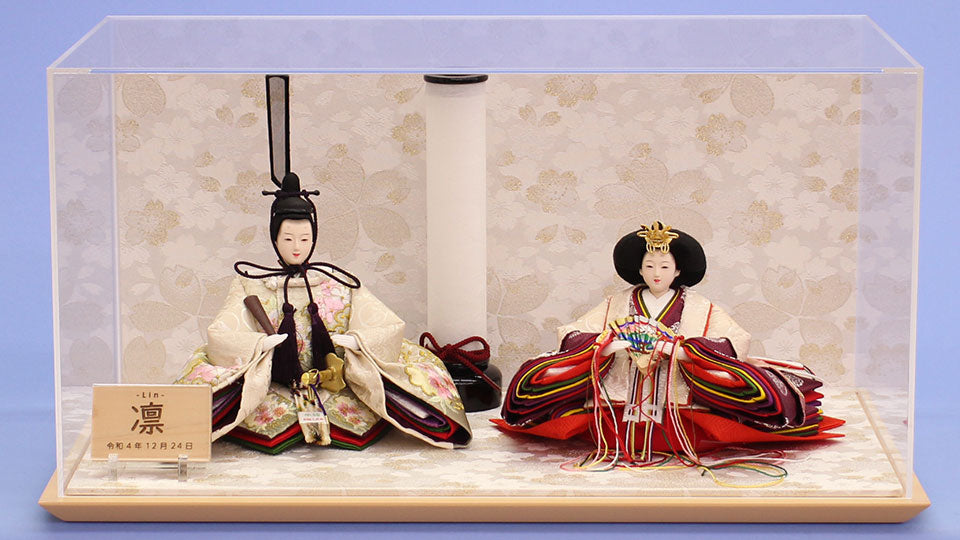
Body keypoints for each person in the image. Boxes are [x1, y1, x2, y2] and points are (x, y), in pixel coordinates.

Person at [174, 74, 470, 453]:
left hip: (338, 386)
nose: (297, 247)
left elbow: (386, 323)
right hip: (270, 388)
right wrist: (259, 345)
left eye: (304, 239)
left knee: (410, 374)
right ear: (274, 239)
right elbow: (222, 334)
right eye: (288, 239)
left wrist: (357, 341)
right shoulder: (251, 285)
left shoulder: (337, 283)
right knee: (209, 392)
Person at [494, 221, 842, 464]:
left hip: (681, 406)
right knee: (538, 376)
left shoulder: (700, 307)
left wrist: (682, 350)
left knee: (750, 387)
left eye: (664, 266)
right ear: (639, 270)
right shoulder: (616, 303)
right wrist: (609, 345)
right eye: (649, 266)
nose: (656, 273)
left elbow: (736, 339)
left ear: (678, 271)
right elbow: (573, 332)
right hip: (618, 405)